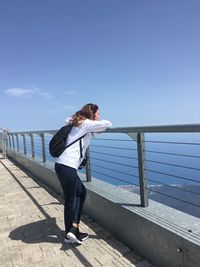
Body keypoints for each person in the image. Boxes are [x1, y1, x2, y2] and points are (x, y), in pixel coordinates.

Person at [54, 103, 112, 244]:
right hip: (67, 166)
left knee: (81, 193)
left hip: (62, 165)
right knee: (71, 200)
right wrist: (94, 122)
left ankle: (73, 229)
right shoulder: (85, 124)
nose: (99, 116)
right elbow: (108, 124)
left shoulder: (77, 123)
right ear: (92, 114)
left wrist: (91, 124)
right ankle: (69, 233)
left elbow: (69, 120)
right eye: (98, 113)